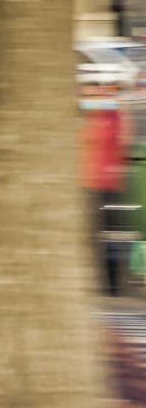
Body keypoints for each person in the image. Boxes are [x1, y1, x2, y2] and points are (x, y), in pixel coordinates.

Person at [81, 80, 131, 296]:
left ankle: (112, 285)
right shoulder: (97, 116)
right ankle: (103, 283)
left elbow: (117, 142)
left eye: (93, 94)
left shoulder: (112, 116)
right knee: (95, 237)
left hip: (106, 185)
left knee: (108, 236)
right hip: (88, 184)